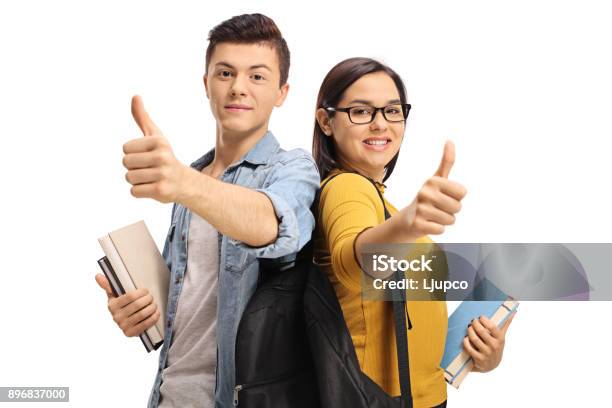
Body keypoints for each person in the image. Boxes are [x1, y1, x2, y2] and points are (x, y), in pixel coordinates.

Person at [95, 14, 319, 408]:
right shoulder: (193, 179)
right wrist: (137, 312)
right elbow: (184, 304)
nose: (238, 88)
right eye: (225, 72)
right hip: (168, 396)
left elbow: (272, 224)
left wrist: (183, 183)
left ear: (282, 92)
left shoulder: (293, 168)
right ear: (206, 83)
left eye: (257, 76)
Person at [312, 57, 514, 408]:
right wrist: (409, 224)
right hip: (377, 399)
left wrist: (481, 354)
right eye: (361, 112)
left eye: (392, 111)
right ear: (326, 121)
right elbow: (353, 261)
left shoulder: (383, 205)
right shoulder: (346, 188)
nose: (380, 125)